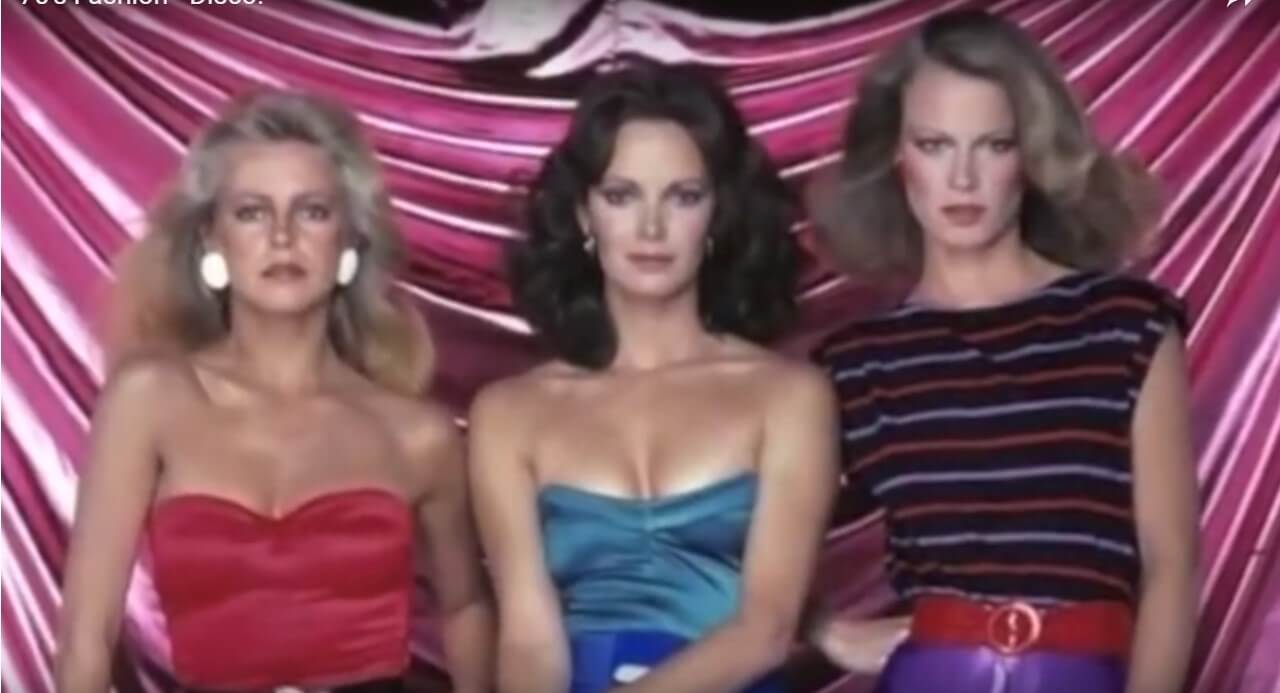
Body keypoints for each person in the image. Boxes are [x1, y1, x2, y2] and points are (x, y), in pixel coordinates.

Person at [807, 10, 1198, 693]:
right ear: (896, 155)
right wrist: (823, 629)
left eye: (993, 144)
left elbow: (1173, 565)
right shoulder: (859, 364)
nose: (962, 178)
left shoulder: (1126, 327)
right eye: (934, 144)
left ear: (1032, 155)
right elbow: (720, 527)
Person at [54, 89, 494, 693]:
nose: (282, 238)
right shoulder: (151, 398)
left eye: (311, 211)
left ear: (349, 241)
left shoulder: (416, 433)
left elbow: (468, 606)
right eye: (252, 212)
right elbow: (86, 634)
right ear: (211, 239)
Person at [469, 62, 839, 693]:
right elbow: (528, 640)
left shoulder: (789, 396)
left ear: (717, 213)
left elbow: (766, 630)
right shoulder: (507, 412)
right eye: (622, 196)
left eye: (683, 197)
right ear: (584, 215)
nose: (650, 228)